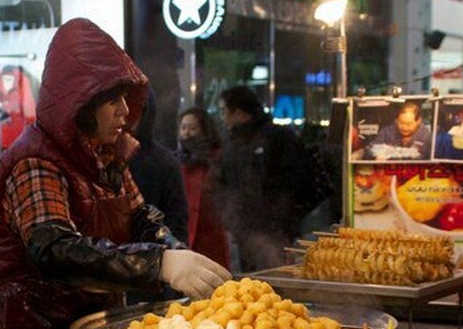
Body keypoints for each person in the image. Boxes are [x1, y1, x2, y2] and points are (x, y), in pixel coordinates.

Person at [0, 18, 230, 329]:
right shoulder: (35, 161)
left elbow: (140, 218)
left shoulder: (106, 153)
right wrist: (160, 264)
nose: (125, 111)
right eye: (113, 100)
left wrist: (175, 251)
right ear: (81, 103)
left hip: (92, 323)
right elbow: (56, 251)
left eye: (126, 98)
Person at [217, 86, 324, 272]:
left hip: (278, 232)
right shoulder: (231, 145)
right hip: (245, 233)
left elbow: (302, 180)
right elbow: (225, 185)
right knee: (250, 287)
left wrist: (287, 218)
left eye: (224, 111)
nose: (222, 118)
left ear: (240, 113)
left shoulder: (279, 137)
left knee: (280, 283)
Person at [126, 89, 188, 304]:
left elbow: (175, 218)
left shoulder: (163, 161)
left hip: (155, 273)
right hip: (110, 273)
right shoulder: (102, 160)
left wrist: (177, 254)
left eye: (135, 110)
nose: (125, 114)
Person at [177, 107, 230, 268]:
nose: (187, 133)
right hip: (185, 234)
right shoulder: (177, 161)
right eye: (184, 127)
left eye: (193, 128)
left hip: (210, 236)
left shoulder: (217, 159)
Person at [367, 101, 432, 160]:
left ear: (418, 121)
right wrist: (378, 154)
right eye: (401, 123)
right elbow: (369, 149)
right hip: (390, 171)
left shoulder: (427, 136)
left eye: (409, 124)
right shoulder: (387, 132)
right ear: (396, 120)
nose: (405, 128)